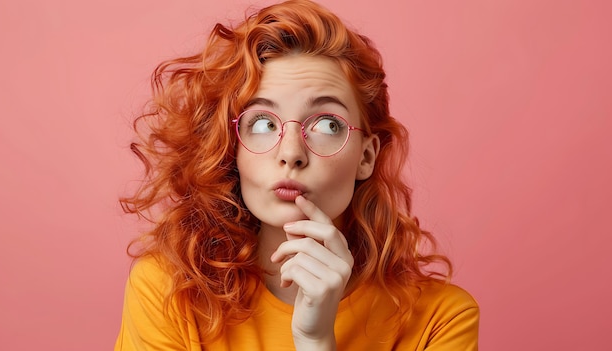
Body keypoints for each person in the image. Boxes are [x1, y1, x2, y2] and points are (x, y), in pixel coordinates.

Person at [115, 0, 479, 350]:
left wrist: (315, 341)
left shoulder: (440, 320)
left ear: (366, 156)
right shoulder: (168, 291)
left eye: (326, 124)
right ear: (233, 147)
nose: (291, 153)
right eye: (261, 123)